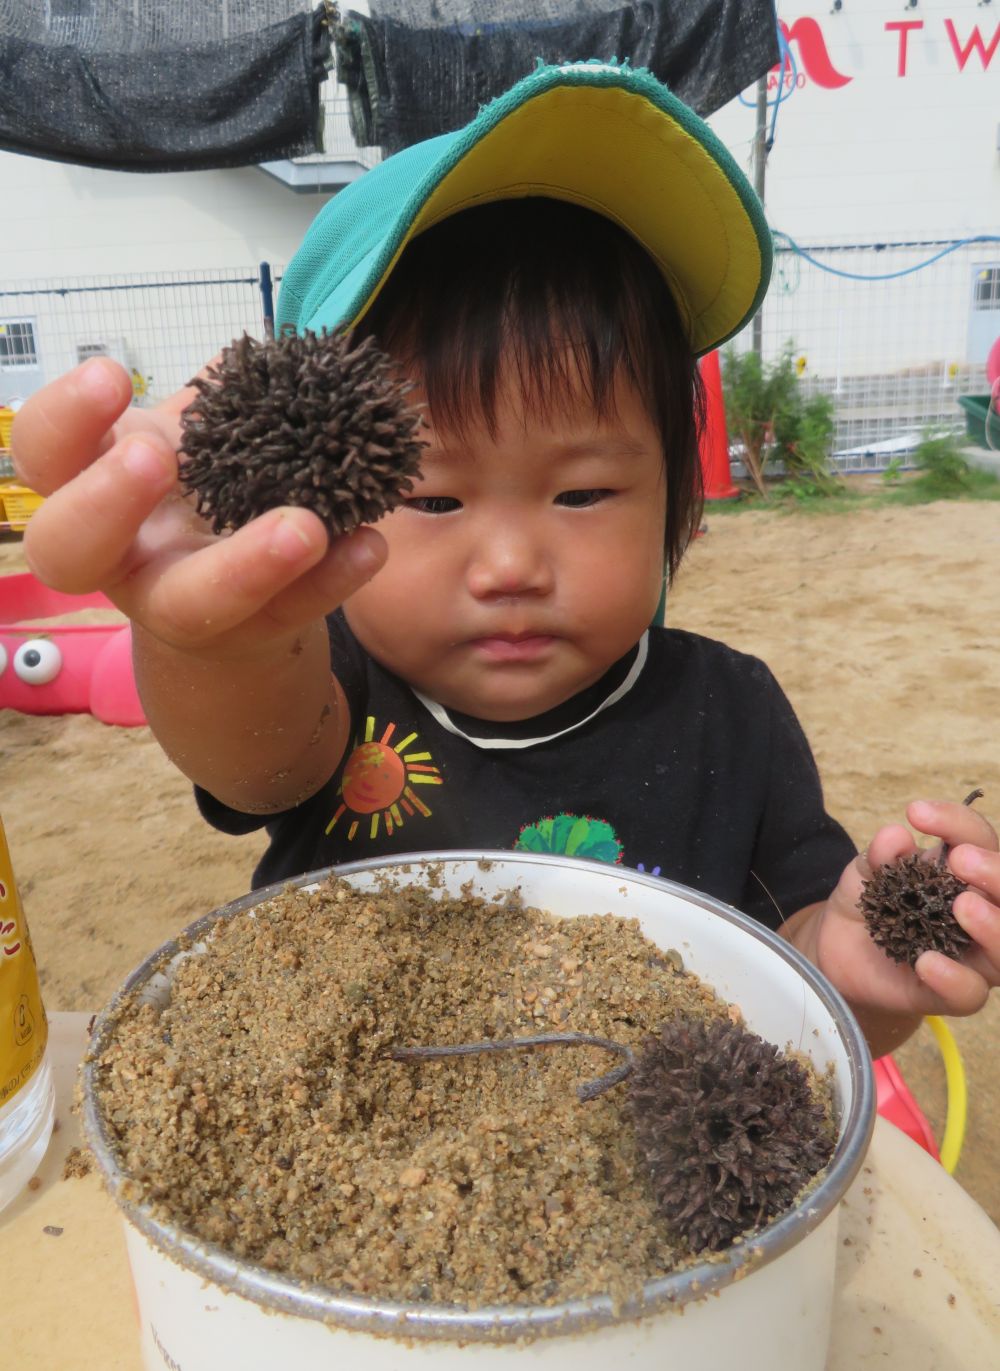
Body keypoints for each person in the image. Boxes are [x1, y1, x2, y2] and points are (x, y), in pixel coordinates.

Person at [12, 63, 998, 1058]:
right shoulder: (328, 686)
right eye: (434, 498)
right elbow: (255, 753)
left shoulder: (734, 717)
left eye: (582, 493)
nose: (512, 564)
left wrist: (851, 974)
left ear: (678, 503)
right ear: (321, 507)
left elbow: (789, 971)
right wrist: (214, 640)